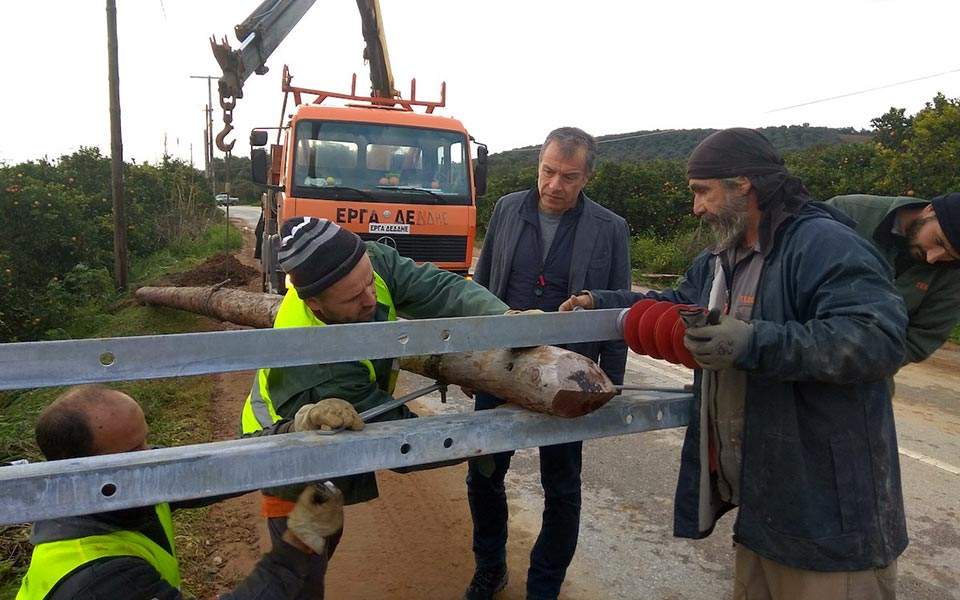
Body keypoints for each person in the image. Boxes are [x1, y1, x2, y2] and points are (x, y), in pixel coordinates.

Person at [562, 128, 908, 599]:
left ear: (743, 183)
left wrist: (751, 342)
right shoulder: (724, 255)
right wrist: (599, 301)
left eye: (703, 192)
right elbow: (679, 302)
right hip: (765, 506)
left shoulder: (824, 244)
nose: (696, 207)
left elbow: (878, 338)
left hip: (829, 521)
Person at [241, 216, 510, 580]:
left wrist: (505, 320)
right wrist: (485, 439)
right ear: (316, 304)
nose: (371, 297)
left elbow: (438, 288)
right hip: (291, 466)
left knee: (324, 539)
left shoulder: (368, 262)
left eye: (369, 282)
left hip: (328, 444)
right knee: (297, 573)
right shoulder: (318, 362)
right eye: (354, 297)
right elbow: (400, 440)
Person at [463, 127, 631, 600]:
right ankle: (490, 567)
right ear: (539, 164)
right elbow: (481, 288)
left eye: (568, 177)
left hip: (571, 378)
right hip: (500, 369)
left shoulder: (610, 229)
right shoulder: (507, 209)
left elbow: (619, 314)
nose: (555, 185)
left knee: (561, 489)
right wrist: (468, 362)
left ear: (587, 178)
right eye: (548, 172)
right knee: (484, 475)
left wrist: (610, 388)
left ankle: (544, 588)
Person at [17, 384, 343, 600]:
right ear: (83, 469)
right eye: (135, 450)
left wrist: (292, 432)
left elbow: (216, 469)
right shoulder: (98, 579)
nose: (153, 457)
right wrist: (299, 544)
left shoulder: (112, 486)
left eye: (146, 441)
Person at [825, 193, 960, 363]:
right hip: (791, 354)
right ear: (930, 209)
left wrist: (864, 363)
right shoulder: (846, 211)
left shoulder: (952, 272)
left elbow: (922, 338)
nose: (932, 258)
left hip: (861, 378)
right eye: (939, 241)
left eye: (950, 255)